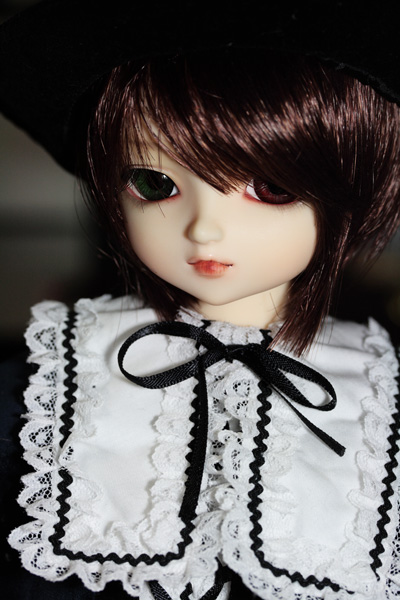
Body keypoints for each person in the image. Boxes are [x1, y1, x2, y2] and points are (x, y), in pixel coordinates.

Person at [1, 1, 400, 599]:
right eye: (155, 183)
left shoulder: (374, 399)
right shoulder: (56, 381)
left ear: (356, 193)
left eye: (271, 188)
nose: (204, 229)